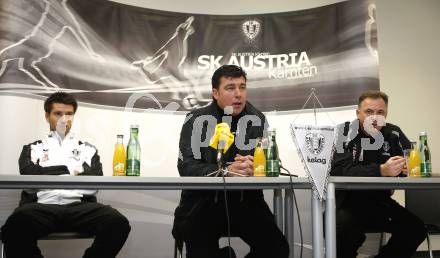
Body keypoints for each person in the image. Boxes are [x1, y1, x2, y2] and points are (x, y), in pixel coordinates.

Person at [172, 65, 289, 258]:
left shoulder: (257, 118)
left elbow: (271, 161)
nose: (238, 94)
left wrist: (257, 168)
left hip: (246, 202)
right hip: (203, 203)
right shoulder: (195, 119)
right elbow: (186, 166)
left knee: (277, 249)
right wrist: (226, 171)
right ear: (215, 93)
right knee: (202, 253)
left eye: (242, 87)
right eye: (230, 88)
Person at [1, 92, 131, 258]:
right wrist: (70, 171)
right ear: (47, 116)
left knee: (117, 223)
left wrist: (48, 176)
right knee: (14, 226)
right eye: (58, 113)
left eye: (69, 114)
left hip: (78, 207)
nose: (64, 119)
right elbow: (31, 181)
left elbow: (93, 185)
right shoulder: (32, 148)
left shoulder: (88, 149)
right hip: (42, 207)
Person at [331, 90, 426, 258]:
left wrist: (405, 169)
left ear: (386, 113)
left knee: (415, 229)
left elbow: (409, 161)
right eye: (369, 112)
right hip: (347, 203)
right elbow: (340, 169)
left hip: (380, 202)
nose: (374, 117)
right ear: (358, 113)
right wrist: (382, 170)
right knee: (344, 230)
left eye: (380, 112)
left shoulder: (393, 133)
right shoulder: (344, 132)